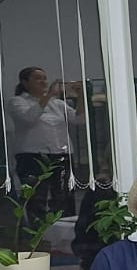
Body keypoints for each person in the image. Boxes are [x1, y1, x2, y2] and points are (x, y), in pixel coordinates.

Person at [8, 65, 82, 219]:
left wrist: (81, 95)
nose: (43, 82)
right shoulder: (17, 102)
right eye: (38, 79)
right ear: (25, 82)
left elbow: (79, 119)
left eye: (45, 78)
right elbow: (29, 118)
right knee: (36, 198)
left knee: (64, 197)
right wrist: (48, 96)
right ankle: (39, 231)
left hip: (61, 154)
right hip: (32, 156)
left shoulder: (58, 104)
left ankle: (63, 228)